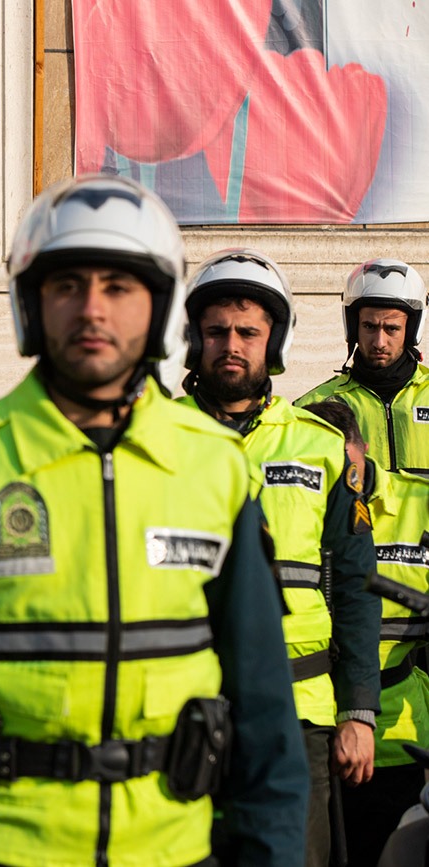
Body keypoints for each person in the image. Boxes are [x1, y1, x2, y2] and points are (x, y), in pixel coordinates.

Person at [0, 175, 308, 867]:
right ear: (31, 304)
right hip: (1, 854)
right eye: (68, 285)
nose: (93, 308)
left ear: (161, 309)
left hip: (175, 853)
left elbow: (264, 707)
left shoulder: (215, 468)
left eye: (119, 287)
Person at [181, 249, 381, 866]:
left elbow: (356, 586)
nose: (231, 345)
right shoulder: (151, 439)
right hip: (176, 706)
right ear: (193, 339)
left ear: (276, 341)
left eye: (248, 332)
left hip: (299, 714)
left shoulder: (321, 446)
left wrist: (358, 711)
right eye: (217, 331)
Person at [306, 398, 429, 866]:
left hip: (398, 740)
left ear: (366, 448)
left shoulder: (419, 504)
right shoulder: (291, 508)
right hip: (309, 727)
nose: (340, 481)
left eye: (346, 464)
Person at [296, 260, 429, 476]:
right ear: (353, 327)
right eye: (369, 326)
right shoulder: (313, 407)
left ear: (411, 330)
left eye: (392, 329)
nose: (379, 342)